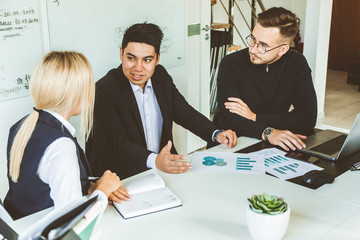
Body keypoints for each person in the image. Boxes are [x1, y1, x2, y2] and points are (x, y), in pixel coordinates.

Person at [86, 22, 238, 179]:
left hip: (163, 171)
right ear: (121, 54)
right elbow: (118, 143)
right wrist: (155, 161)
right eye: (131, 58)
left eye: (147, 60)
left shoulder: (160, 76)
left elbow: (185, 113)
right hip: (124, 176)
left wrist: (216, 133)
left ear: (157, 59)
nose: (138, 68)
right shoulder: (105, 89)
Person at [4, 51, 130, 220]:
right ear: (74, 92)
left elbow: (42, 184)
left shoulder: (22, 126)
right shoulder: (61, 145)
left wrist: (90, 186)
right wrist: (103, 191)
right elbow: (73, 223)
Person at [213, 7, 317, 152]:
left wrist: (254, 117)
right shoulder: (231, 63)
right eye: (253, 40)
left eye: (264, 46)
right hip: (231, 144)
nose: (253, 50)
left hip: (271, 145)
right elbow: (228, 119)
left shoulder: (296, 63)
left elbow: (307, 118)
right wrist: (269, 132)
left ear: (283, 50)